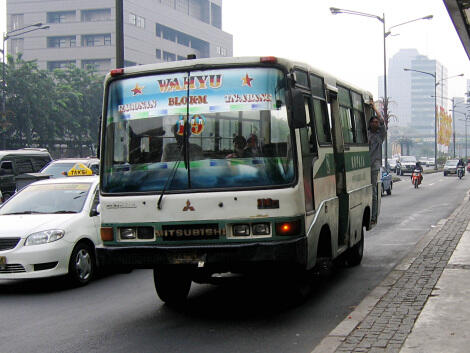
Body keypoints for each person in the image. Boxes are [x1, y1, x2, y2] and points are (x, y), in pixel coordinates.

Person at [367, 99, 386, 225]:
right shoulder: (366, 134)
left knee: (374, 191)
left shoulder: (380, 135)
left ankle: (373, 217)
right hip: (364, 165)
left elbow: (383, 121)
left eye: (376, 122)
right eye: (373, 122)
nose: (375, 123)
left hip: (374, 165)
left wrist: (374, 107)